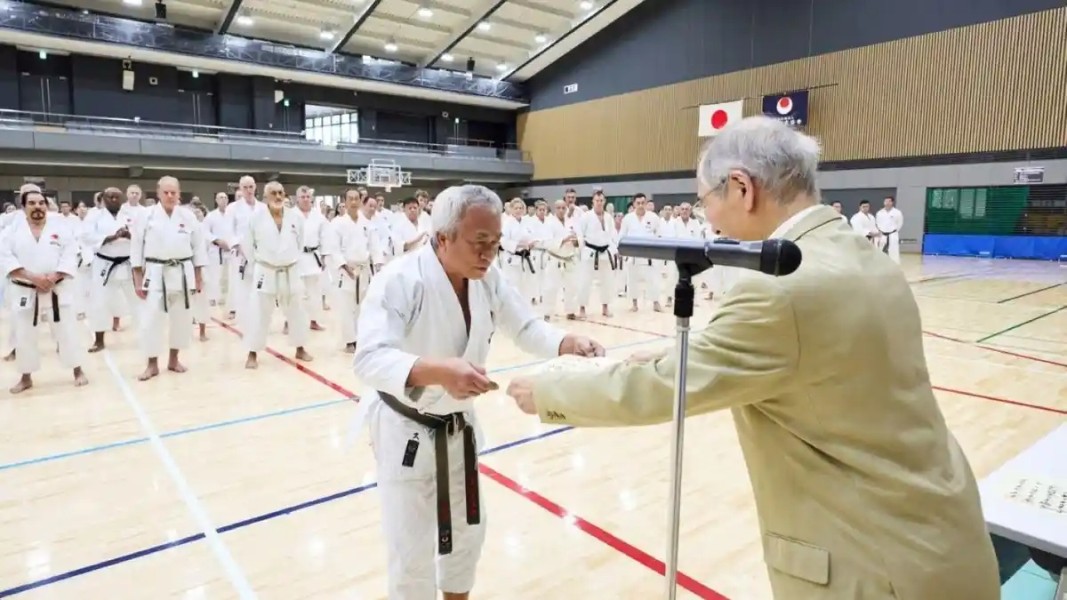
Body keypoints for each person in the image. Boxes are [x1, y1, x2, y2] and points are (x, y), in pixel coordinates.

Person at [505, 116, 1001, 600]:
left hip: (872, 566)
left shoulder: (780, 291)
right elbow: (806, 356)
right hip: (939, 535)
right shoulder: (863, 257)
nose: (707, 219)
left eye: (706, 201)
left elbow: (665, 389)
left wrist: (550, 388)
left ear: (741, 187)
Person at [352, 185, 604, 600]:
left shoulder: (487, 279)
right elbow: (369, 358)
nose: (489, 253)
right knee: (411, 551)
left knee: (468, 535)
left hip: (458, 427)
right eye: (479, 242)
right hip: (405, 431)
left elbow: (524, 326)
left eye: (495, 243)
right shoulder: (399, 279)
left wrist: (566, 341)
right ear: (443, 237)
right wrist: (437, 371)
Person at [1, 189, 88, 393]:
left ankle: (78, 370)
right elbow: (5, 258)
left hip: (56, 288)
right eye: (32, 203)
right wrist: (33, 278)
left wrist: (54, 277)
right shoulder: (11, 231)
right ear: (24, 207)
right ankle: (25, 377)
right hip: (26, 288)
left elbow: (70, 254)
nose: (38, 207)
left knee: (67, 332)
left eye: (41, 203)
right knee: (24, 335)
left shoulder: (61, 227)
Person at [131, 176, 207, 381]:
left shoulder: (189, 216)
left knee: (181, 319)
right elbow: (136, 248)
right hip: (155, 271)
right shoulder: (146, 216)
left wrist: (198, 277)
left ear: (179, 193)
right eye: (166, 192)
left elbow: (199, 247)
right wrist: (137, 279)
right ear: (158, 193)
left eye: (174, 192)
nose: (170, 196)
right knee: (151, 320)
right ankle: (152, 364)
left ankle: (174, 359)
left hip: (183, 271)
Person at [242, 181, 312, 369]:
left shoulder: (295, 217)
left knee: (296, 312)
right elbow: (247, 246)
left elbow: (300, 242)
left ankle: (300, 347)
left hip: (290, 269)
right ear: (265, 197)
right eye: (273, 193)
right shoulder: (256, 218)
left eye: (281, 192)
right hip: (266, 269)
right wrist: (259, 263)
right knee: (259, 313)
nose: (278, 196)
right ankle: (252, 352)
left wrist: (290, 259)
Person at [84, 187, 142, 352]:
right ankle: (99, 340)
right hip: (105, 264)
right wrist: (111, 237)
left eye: (117, 197)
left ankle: (144, 336)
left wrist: (129, 235)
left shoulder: (130, 215)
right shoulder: (94, 216)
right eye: (110, 197)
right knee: (99, 302)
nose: (114, 200)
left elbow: (141, 235)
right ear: (103, 198)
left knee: (139, 301)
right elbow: (85, 236)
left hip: (128, 263)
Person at [327, 188, 383, 353]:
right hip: (346, 270)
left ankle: (361, 338)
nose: (353, 202)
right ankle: (350, 341)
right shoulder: (337, 223)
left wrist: (379, 265)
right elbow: (333, 248)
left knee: (363, 306)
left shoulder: (367, 224)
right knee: (346, 307)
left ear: (360, 201)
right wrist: (344, 266)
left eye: (356, 199)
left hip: (364, 269)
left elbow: (375, 246)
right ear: (344, 202)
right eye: (349, 199)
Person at [575, 191, 617, 319]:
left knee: (607, 281)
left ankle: (605, 307)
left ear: (604, 202)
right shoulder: (586, 216)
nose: (599, 203)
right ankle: (582, 308)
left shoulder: (609, 217)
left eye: (601, 200)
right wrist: (582, 251)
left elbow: (613, 235)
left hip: (605, 252)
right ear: (592, 202)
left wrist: (613, 249)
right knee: (584, 282)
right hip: (590, 252)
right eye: (597, 200)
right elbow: (579, 234)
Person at [618, 193, 662, 312]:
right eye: (638, 203)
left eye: (643, 203)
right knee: (632, 280)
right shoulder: (628, 218)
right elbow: (621, 235)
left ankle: (656, 303)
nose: (641, 205)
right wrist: (620, 250)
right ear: (634, 204)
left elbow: (659, 235)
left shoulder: (653, 217)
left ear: (646, 203)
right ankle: (634, 303)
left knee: (653, 279)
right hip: (633, 254)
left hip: (649, 254)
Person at [876, 196, 904, 264]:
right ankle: (881, 265)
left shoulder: (897, 212)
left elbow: (900, 223)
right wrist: (881, 231)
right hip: (883, 235)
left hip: (893, 234)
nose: (887, 203)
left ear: (892, 202)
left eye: (889, 201)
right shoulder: (880, 213)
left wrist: (893, 231)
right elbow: (877, 223)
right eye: (886, 201)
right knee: (881, 250)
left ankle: (894, 265)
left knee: (893, 251)